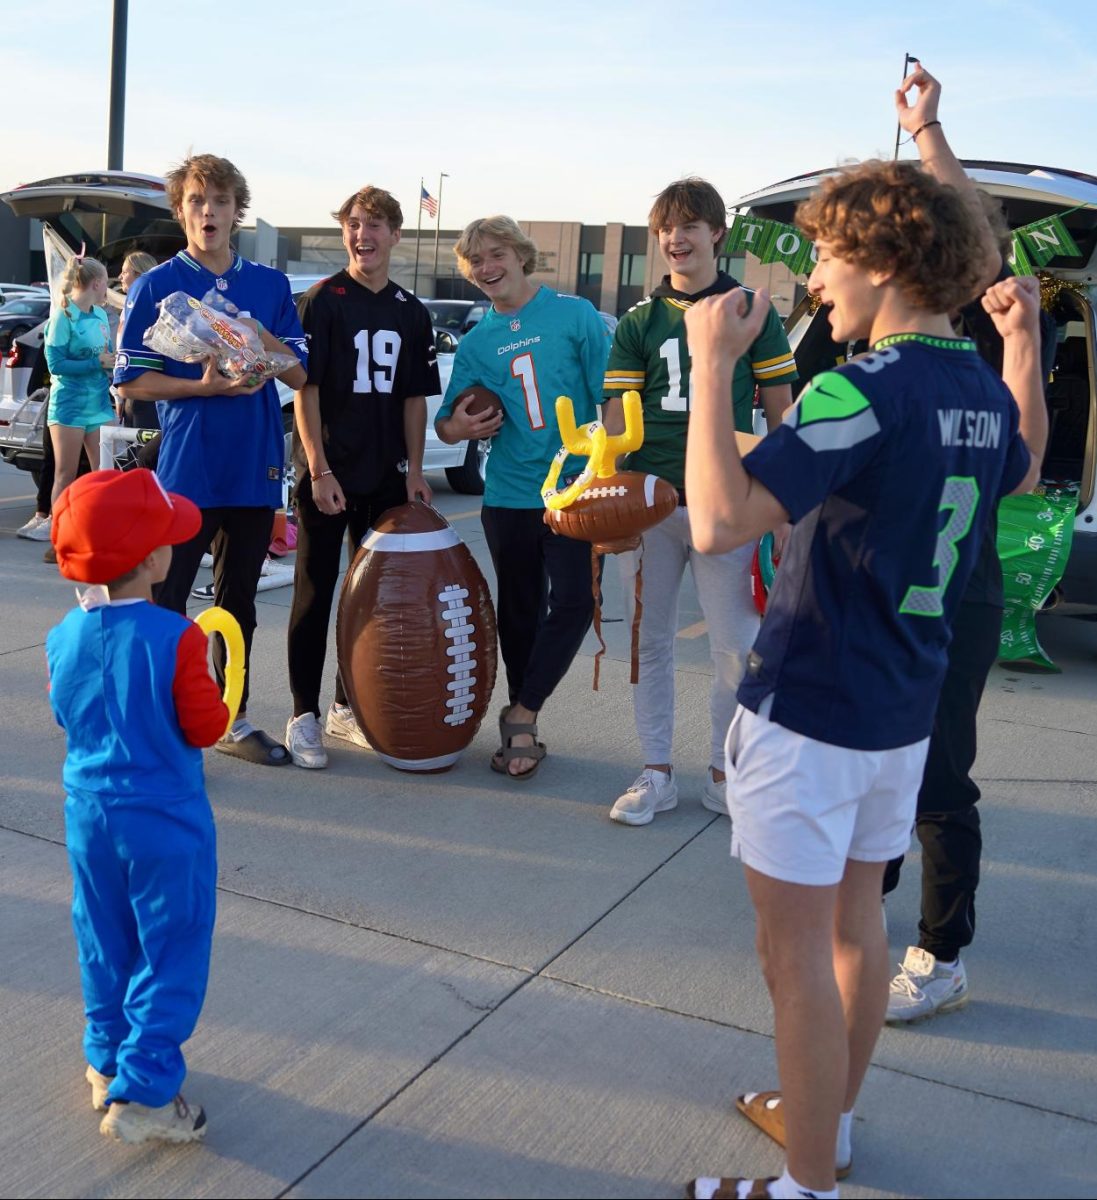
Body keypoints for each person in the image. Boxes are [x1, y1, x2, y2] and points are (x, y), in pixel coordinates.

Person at [681, 154, 1044, 1197]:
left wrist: (710, 367)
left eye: (830, 259)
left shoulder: (857, 385)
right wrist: (1017, 347)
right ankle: (823, 1128)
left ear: (883, 264)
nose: (816, 282)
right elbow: (1013, 461)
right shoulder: (972, 385)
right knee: (855, 933)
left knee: (790, 956)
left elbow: (714, 521)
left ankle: (803, 1184)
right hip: (897, 716)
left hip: (809, 711)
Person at [881, 64, 1058, 1024]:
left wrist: (928, 133)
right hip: (873, 596)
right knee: (875, 762)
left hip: (953, 592)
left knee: (938, 771)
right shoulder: (858, 341)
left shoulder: (975, 342)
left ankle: (940, 951)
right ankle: (851, 903)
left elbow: (1024, 471)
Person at [602, 178, 796, 827]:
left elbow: (777, 410)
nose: (675, 238)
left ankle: (723, 769)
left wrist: (784, 501)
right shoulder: (638, 320)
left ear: (716, 233)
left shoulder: (751, 308)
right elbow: (615, 416)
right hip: (650, 500)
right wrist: (610, 500)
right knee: (648, 641)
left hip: (725, 500)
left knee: (736, 646)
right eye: (665, 228)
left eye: (688, 225)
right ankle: (655, 770)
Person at [46, 468, 229, 1144]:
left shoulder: (62, 635)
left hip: (89, 814)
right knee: (170, 947)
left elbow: (66, 713)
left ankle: (106, 1058)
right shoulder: (176, 636)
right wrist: (216, 685)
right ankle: (148, 1089)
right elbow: (206, 726)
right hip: (164, 820)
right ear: (153, 559)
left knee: (103, 936)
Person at [114, 153, 307, 767]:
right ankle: (159, 724)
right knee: (166, 603)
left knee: (238, 604)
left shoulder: (270, 286)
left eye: (220, 201)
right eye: (197, 202)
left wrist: (253, 334)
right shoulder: (154, 286)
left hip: (253, 470)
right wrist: (200, 387)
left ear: (236, 212)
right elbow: (131, 384)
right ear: (181, 211)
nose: (208, 212)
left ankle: (232, 716)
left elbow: (301, 374)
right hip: (186, 471)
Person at [435, 216, 609, 778]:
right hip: (508, 492)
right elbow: (445, 424)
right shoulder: (478, 340)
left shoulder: (574, 315)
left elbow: (612, 394)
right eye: (476, 262)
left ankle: (522, 709)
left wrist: (610, 470)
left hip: (574, 488)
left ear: (520, 254)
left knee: (577, 602)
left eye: (496, 255)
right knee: (519, 610)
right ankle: (524, 726)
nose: (487, 268)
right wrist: (460, 428)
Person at [284, 185, 439, 768]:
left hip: (384, 475)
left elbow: (414, 399)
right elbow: (308, 391)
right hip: (330, 474)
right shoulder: (324, 300)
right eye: (353, 223)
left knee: (371, 598)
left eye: (375, 225)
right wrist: (319, 467)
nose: (363, 234)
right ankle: (304, 712)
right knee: (315, 593)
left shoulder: (410, 310)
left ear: (395, 235)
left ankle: (349, 704)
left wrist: (417, 471)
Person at [43, 255, 115, 515]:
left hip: (99, 403)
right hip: (68, 406)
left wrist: (111, 363)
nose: (109, 288)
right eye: (107, 282)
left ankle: (99, 532)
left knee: (106, 473)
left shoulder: (100, 315)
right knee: (65, 474)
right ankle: (59, 538)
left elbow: (105, 355)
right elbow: (56, 365)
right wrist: (96, 363)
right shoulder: (63, 317)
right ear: (96, 284)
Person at [115, 250, 160, 432]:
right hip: (129, 394)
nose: (120, 277)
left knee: (145, 457)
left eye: (125, 272)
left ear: (140, 276)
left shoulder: (153, 309)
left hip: (148, 394)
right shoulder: (126, 309)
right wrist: (120, 395)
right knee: (132, 456)